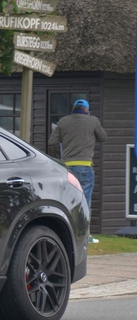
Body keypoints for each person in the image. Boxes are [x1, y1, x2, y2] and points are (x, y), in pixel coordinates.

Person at [49, 99, 107, 243]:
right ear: (86, 110)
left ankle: (69, 235)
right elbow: (103, 137)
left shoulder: (63, 122)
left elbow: (52, 143)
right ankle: (84, 236)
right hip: (85, 167)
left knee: (68, 200)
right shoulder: (92, 121)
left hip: (67, 168)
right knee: (84, 201)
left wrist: (58, 156)